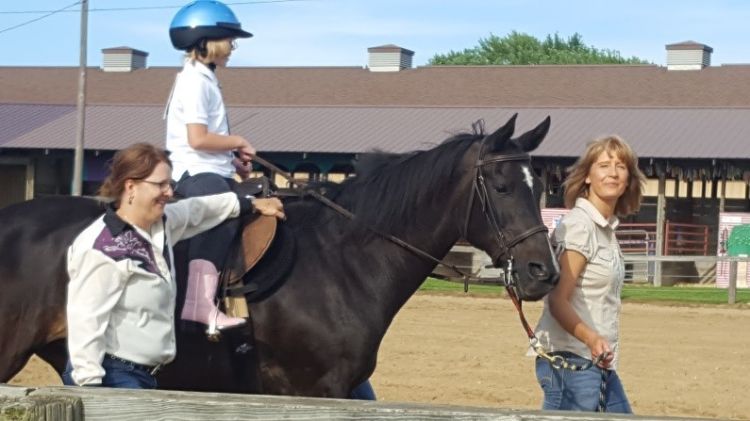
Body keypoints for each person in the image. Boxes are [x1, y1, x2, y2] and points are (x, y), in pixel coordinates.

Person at [63, 143, 284, 388]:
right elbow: (86, 322)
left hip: (143, 376)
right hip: (112, 377)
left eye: (170, 184)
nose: (169, 192)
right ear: (131, 187)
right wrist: (93, 393)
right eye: (160, 184)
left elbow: (198, 210)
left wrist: (251, 204)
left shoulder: (163, 224)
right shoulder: (101, 248)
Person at [531, 135, 645, 413]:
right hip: (571, 359)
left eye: (620, 166)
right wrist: (592, 339)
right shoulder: (581, 226)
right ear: (587, 177)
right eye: (604, 165)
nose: (613, 172)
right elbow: (558, 300)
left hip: (595, 361)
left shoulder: (604, 230)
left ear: (628, 179)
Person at [165, 0, 256, 334]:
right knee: (224, 212)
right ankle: (199, 304)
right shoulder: (195, 82)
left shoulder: (204, 78)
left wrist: (233, 162)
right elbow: (198, 139)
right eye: (229, 40)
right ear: (209, 41)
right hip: (196, 176)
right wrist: (238, 142)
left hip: (210, 168)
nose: (232, 47)